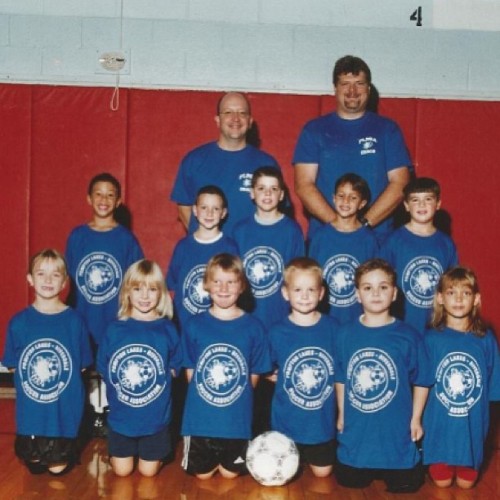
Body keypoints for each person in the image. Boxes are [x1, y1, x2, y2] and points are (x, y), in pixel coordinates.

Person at [335, 259, 431, 493]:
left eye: (383, 287)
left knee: (407, 486)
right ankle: (360, 460)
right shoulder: (345, 334)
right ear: (357, 294)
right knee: (348, 481)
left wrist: (416, 418)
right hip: (358, 436)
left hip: (396, 436)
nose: (376, 293)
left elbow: (422, 380)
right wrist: (342, 414)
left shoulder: (408, 336)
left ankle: (398, 462)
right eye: (367, 287)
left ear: (395, 293)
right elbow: (341, 378)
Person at [293, 55, 411, 243]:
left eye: (359, 83)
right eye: (345, 84)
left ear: (369, 89)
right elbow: (304, 185)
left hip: (376, 238)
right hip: (326, 237)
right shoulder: (314, 130)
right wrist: (339, 226)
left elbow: (400, 184)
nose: (352, 91)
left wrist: (363, 225)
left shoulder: (387, 129)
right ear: (335, 88)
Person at [65, 172, 144, 435]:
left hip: (114, 318)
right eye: (98, 193)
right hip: (84, 316)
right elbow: (71, 279)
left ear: (119, 201)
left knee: (113, 368)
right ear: (88, 198)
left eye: (111, 194)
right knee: (83, 369)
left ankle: (112, 416)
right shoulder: (77, 236)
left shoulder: (125, 239)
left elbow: (136, 279)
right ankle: (84, 417)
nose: (104, 199)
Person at [180, 253, 271, 480]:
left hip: (236, 422)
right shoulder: (194, 325)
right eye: (217, 281)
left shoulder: (254, 327)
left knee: (230, 476)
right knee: (202, 477)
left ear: (241, 287)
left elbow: (253, 377)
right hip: (200, 421)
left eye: (230, 282)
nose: (223, 288)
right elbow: (191, 375)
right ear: (206, 285)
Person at [2, 249, 92, 475]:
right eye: (41, 274)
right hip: (32, 412)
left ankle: (60, 442)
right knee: (33, 462)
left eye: (55, 275)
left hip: (62, 413)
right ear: (30, 279)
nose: (48, 280)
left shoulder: (74, 322)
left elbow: (80, 365)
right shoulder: (19, 323)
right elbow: (14, 365)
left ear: (64, 283)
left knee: (56, 468)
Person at [97, 259, 182, 477]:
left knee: (148, 472)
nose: (144, 296)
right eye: (137, 289)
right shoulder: (115, 329)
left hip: (155, 420)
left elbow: (175, 365)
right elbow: (104, 367)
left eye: (152, 289)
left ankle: (160, 455)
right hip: (122, 418)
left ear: (161, 293)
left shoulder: (166, 328)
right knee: (122, 472)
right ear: (127, 291)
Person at [422, 267, 500, 489]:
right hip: (439, 423)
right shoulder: (431, 339)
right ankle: (438, 455)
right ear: (440, 298)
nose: (458, 299)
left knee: (466, 485)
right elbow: (421, 385)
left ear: (476, 299)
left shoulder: (485, 339)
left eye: (465, 293)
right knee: (442, 483)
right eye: (451, 292)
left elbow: (494, 388)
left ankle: (469, 456)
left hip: (471, 422)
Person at [170, 91, 281, 236]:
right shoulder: (194, 160)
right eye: (228, 112)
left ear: (250, 121)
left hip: (252, 252)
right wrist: (207, 240)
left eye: (242, 113)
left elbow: (277, 212)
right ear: (217, 120)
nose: (235, 118)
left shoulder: (267, 163)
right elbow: (184, 208)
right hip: (211, 254)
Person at [268, 258, 338, 477]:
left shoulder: (334, 329)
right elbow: (263, 367)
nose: (305, 295)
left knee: (323, 474)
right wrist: (270, 374)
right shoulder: (277, 331)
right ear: (285, 293)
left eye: (311, 289)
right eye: (298, 289)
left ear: (321, 293)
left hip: (321, 424)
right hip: (286, 423)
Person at [381, 177, 458, 333]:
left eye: (428, 199)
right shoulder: (394, 240)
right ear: (406, 206)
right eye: (415, 200)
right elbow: (382, 281)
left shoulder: (446, 243)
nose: (422, 205)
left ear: (438, 204)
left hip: (435, 326)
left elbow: (453, 284)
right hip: (402, 325)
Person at [232, 167, 305, 326]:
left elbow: (298, 276)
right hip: (246, 317)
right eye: (261, 188)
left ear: (281, 195)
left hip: (280, 314)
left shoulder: (292, 230)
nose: (267, 193)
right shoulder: (240, 231)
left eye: (273, 189)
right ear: (252, 193)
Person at [309, 173, 379, 324]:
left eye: (353, 197)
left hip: (357, 318)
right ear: (334, 198)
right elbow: (311, 278)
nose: (345, 201)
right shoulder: (320, 237)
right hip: (325, 319)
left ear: (362, 203)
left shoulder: (369, 239)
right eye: (341, 196)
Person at [167, 185, 237, 331]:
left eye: (215, 209)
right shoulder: (183, 246)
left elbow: (234, 289)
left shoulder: (230, 247)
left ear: (223, 213)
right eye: (204, 207)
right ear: (195, 210)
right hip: (184, 328)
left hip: (216, 329)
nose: (209, 213)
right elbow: (172, 287)